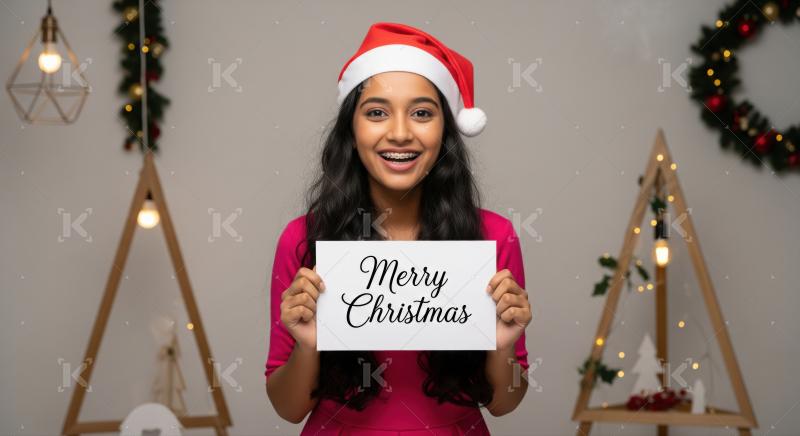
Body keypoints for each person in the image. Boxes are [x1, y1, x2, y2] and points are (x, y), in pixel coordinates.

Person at [265, 22, 532, 435]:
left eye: (422, 113)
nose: (401, 133)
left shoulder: (495, 237)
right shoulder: (302, 239)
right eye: (377, 112)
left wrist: (503, 346)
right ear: (351, 129)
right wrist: (307, 345)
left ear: (445, 128)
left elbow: (504, 404)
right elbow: (288, 408)